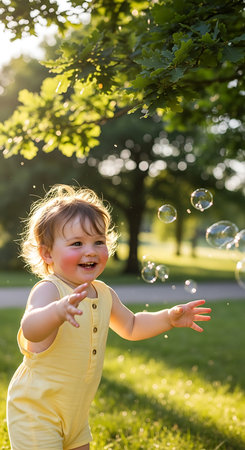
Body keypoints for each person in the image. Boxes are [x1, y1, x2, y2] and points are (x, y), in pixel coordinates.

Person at [7, 184, 211, 450]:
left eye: (98, 242)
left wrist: (168, 319)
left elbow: (132, 325)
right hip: (36, 410)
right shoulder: (50, 290)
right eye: (77, 243)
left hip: (75, 413)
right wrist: (57, 311)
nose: (90, 250)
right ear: (47, 253)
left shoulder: (103, 293)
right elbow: (31, 328)